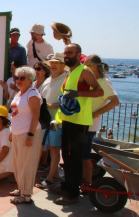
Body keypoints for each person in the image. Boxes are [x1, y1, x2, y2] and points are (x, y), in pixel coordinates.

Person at [51, 44, 103, 205]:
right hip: (68, 120)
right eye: (65, 53)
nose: (67, 56)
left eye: (70, 53)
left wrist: (79, 93)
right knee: (66, 156)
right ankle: (68, 187)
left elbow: (99, 91)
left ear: (78, 54)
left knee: (73, 158)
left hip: (79, 122)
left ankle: (73, 194)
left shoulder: (84, 71)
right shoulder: (70, 72)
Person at [82, 55, 119, 188]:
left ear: (95, 67)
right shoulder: (92, 80)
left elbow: (115, 101)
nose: (84, 69)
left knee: (84, 154)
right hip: (82, 121)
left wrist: (94, 114)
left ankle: (87, 183)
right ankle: (82, 180)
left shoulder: (103, 81)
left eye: (86, 66)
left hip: (89, 123)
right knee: (81, 153)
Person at [9, 66, 43, 205]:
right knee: (18, 163)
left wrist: (30, 134)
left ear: (30, 80)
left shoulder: (32, 93)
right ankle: (21, 188)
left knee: (27, 164)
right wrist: (12, 131)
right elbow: (15, 114)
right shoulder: (19, 94)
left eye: (22, 78)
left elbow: (36, 115)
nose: (19, 80)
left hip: (28, 133)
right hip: (17, 133)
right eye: (17, 77)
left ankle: (26, 194)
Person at [35, 53, 67, 189]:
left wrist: (52, 105)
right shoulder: (49, 79)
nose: (53, 65)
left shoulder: (66, 79)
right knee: (50, 148)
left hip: (58, 121)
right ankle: (54, 175)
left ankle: (50, 178)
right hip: (46, 120)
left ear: (62, 65)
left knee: (54, 149)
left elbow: (70, 101)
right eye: (51, 63)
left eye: (56, 63)